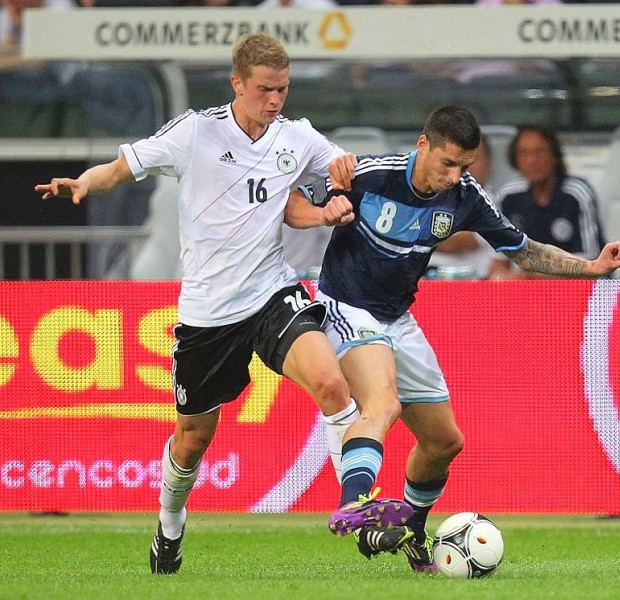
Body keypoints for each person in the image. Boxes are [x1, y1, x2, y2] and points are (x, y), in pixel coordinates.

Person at [34, 33, 412, 576]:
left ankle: (358, 504)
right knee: (192, 441)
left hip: (272, 294)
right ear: (238, 84)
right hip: (209, 315)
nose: (276, 100)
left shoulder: (297, 137)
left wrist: (343, 185)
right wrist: (85, 183)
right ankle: (169, 522)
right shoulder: (195, 131)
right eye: (265, 89)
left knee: (331, 383)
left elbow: (342, 172)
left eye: (283, 89)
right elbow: (122, 165)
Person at [285, 105, 620, 572]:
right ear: (422, 145)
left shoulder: (466, 196)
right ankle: (355, 506)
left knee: (444, 442)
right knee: (382, 404)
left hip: (397, 317)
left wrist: (590, 266)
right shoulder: (370, 174)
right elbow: (292, 204)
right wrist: (325, 211)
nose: (455, 176)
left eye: (464, 166)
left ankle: (411, 533)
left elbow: (524, 251)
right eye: (447, 163)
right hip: (345, 305)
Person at [489, 124, 606, 279]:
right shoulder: (508, 197)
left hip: (578, 290)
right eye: (524, 153)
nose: (532, 160)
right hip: (528, 290)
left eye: (540, 151)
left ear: (555, 155)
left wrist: (533, 277)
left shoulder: (577, 194)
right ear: (515, 160)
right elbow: (499, 263)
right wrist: (501, 278)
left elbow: (590, 266)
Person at [427, 132, 497, 278]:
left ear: (487, 164)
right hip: (428, 281)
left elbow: (457, 244)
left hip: (471, 285)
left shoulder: (494, 203)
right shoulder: (431, 198)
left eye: (473, 158)